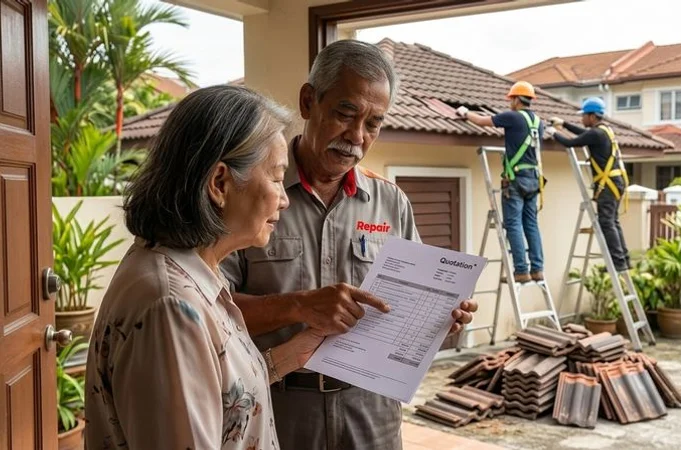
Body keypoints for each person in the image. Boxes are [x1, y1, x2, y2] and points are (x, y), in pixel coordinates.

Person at [83, 85, 386, 450]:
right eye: (276, 177)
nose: (286, 199)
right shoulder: (172, 308)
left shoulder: (191, 272)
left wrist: (297, 353)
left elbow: (221, 396)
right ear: (220, 183)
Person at [220, 39, 478, 450]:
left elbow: (409, 309)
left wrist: (440, 315)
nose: (356, 136)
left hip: (372, 411)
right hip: (277, 405)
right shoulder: (251, 194)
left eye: (373, 123)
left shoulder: (391, 202)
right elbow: (211, 315)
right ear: (308, 101)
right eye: (345, 113)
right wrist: (298, 305)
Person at [454, 81, 546, 283]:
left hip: (515, 180)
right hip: (534, 179)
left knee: (513, 224)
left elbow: (480, 121)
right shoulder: (539, 122)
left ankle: (521, 270)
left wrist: (464, 112)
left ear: (516, 99)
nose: (510, 102)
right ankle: (537, 269)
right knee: (531, 224)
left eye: (511, 99)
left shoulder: (512, 117)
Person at [547, 96, 632, 272]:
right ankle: (623, 259)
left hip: (608, 185)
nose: (582, 118)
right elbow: (583, 135)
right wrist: (563, 124)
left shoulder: (596, 133)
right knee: (613, 221)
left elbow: (571, 143)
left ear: (592, 116)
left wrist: (553, 132)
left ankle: (617, 262)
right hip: (616, 182)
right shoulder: (604, 130)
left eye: (584, 115)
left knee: (606, 222)